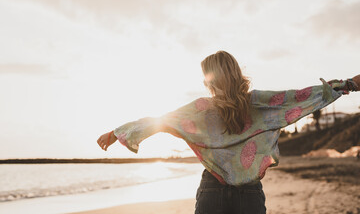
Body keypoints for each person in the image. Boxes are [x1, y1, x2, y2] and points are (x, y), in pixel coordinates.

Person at [97, 51, 359, 214]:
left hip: (213, 190)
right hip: (250, 194)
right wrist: (349, 84)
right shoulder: (260, 101)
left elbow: (161, 121)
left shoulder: (201, 108)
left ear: (211, 80)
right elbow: (303, 97)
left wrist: (117, 132)